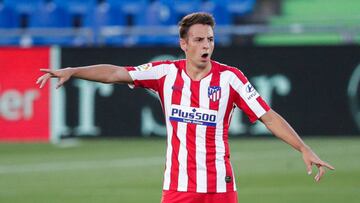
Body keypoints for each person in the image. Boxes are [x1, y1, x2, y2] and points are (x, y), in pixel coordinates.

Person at [36, 12, 334, 203]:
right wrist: (74, 70)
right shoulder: (165, 73)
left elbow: (267, 116)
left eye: (211, 39)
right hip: (179, 187)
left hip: (220, 187)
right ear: (184, 44)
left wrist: (303, 148)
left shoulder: (230, 78)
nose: (207, 45)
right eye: (199, 39)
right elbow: (116, 73)